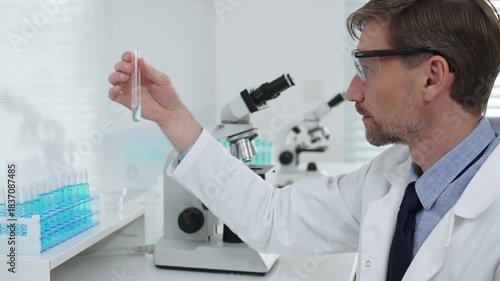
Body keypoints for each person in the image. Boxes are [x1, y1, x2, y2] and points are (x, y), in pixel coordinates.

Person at [108, 0, 500, 280]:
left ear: (432, 77)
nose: (351, 91)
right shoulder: (390, 178)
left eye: (367, 69)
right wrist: (173, 118)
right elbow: (273, 217)